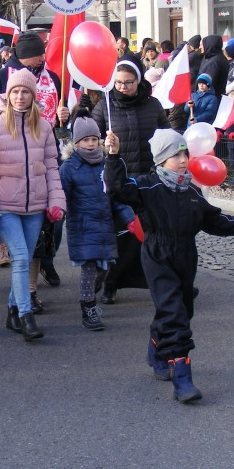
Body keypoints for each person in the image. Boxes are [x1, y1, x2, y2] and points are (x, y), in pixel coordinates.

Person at [105, 128, 234, 402]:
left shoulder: (193, 192)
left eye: (185, 153)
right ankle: (183, 380)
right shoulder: (147, 186)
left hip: (185, 256)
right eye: (176, 154)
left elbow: (214, 221)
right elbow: (117, 189)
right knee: (174, 314)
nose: (183, 159)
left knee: (182, 310)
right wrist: (113, 157)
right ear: (161, 160)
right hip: (157, 255)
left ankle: (156, 348)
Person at [0, 69, 65, 342]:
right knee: (22, 259)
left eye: (25, 91)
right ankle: (26, 316)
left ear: (33, 95)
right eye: (15, 91)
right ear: (8, 94)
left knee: (24, 259)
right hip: (6, 207)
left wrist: (56, 200)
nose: (20, 96)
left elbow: (52, 167)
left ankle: (12, 311)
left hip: (36, 206)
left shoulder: (44, 127)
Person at [91, 60, 169, 304]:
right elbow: (89, 140)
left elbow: (165, 136)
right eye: (118, 82)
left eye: (128, 82)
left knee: (150, 235)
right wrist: (105, 146)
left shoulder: (153, 105)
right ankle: (111, 284)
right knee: (120, 237)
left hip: (147, 181)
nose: (123, 87)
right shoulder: (105, 107)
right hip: (118, 181)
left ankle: (163, 283)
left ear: (138, 82)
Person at [59, 109, 134, 331]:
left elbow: (116, 195)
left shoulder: (105, 164)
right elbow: (62, 194)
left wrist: (129, 218)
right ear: (76, 143)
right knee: (90, 267)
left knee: (105, 267)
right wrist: (56, 213)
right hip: (82, 225)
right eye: (85, 140)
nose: (90, 144)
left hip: (105, 223)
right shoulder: (69, 167)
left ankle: (91, 292)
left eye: (94, 139)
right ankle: (88, 307)